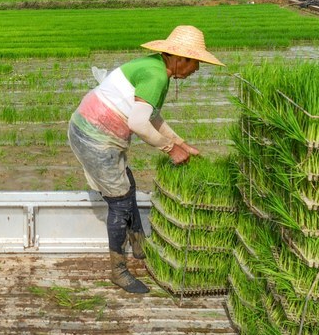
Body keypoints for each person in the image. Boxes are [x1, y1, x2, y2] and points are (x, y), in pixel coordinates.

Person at [68, 25, 225, 294]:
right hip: (95, 138)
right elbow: (139, 123)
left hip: (95, 132)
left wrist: (181, 143)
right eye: (196, 63)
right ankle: (118, 271)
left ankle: (139, 246)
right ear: (180, 59)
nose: (197, 70)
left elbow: (151, 116)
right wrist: (170, 148)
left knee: (127, 185)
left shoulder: (154, 67)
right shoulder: (156, 76)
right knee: (119, 202)